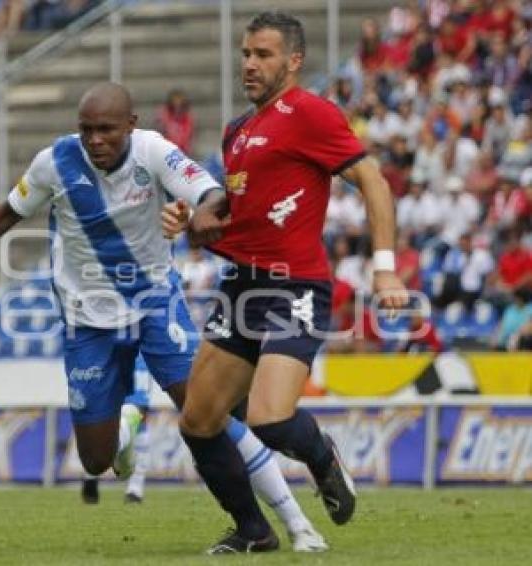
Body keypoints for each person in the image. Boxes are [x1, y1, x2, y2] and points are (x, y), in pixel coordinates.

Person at [0, 82, 327, 553]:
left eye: (106, 130)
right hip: (86, 321)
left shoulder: (153, 151)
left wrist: (204, 214)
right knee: (95, 461)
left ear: (131, 125)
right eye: (86, 130)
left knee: (205, 411)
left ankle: (294, 525)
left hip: (154, 303)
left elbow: (211, 190)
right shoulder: (55, 162)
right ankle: (129, 420)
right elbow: (2, 216)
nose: (95, 140)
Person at [162, 12, 408, 549]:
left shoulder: (311, 113)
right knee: (198, 421)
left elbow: (372, 180)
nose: (250, 64)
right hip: (240, 285)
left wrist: (384, 264)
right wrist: (196, 219)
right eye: (247, 53)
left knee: (270, 418)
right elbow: (240, 208)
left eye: (264, 55)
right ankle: (254, 531)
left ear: (294, 61)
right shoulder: (238, 132)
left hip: (294, 286)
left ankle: (321, 456)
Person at [81, 354, 152, 505]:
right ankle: (92, 474)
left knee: (137, 415)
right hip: (105, 355)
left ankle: (134, 490)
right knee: (101, 419)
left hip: (137, 356)